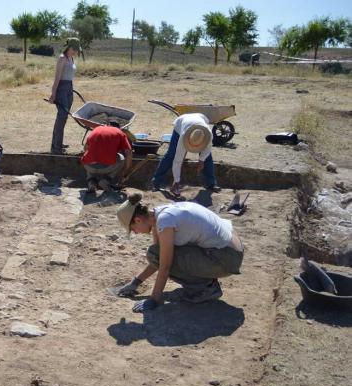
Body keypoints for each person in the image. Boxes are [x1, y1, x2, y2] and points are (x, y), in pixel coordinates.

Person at [113, 193, 244, 313]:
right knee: (157, 253)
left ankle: (206, 289)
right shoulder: (160, 214)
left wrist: (154, 299)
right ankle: (205, 283)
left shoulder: (165, 222)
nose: (136, 232)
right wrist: (136, 282)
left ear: (137, 220)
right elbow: (158, 257)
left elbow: (164, 266)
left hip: (226, 258)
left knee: (160, 256)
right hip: (229, 249)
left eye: (133, 229)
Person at [151, 113, 219, 196]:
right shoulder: (183, 137)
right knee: (171, 155)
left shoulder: (208, 135)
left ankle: (211, 184)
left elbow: (208, 149)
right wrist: (177, 181)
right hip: (180, 123)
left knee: (207, 157)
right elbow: (177, 160)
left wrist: (201, 160)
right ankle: (156, 183)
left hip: (200, 117)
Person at [48, 37, 80, 155]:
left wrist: (70, 89)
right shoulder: (62, 58)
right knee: (61, 116)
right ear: (71, 48)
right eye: (76, 49)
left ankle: (59, 143)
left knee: (65, 117)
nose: (77, 52)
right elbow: (57, 78)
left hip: (69, 88)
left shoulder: (71, 58)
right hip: (61, 88)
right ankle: (55, 147)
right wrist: (53, 94)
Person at [80, 125, 133, 193]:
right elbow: (129, 153)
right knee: (121, 157)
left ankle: (91, 182)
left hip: (88, 166)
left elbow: (85, 148)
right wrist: (126, 171)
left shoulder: (96, 129)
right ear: (119, 127)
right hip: (106, 167)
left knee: (90, 156)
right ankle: (105, 181)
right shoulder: (120, 133)